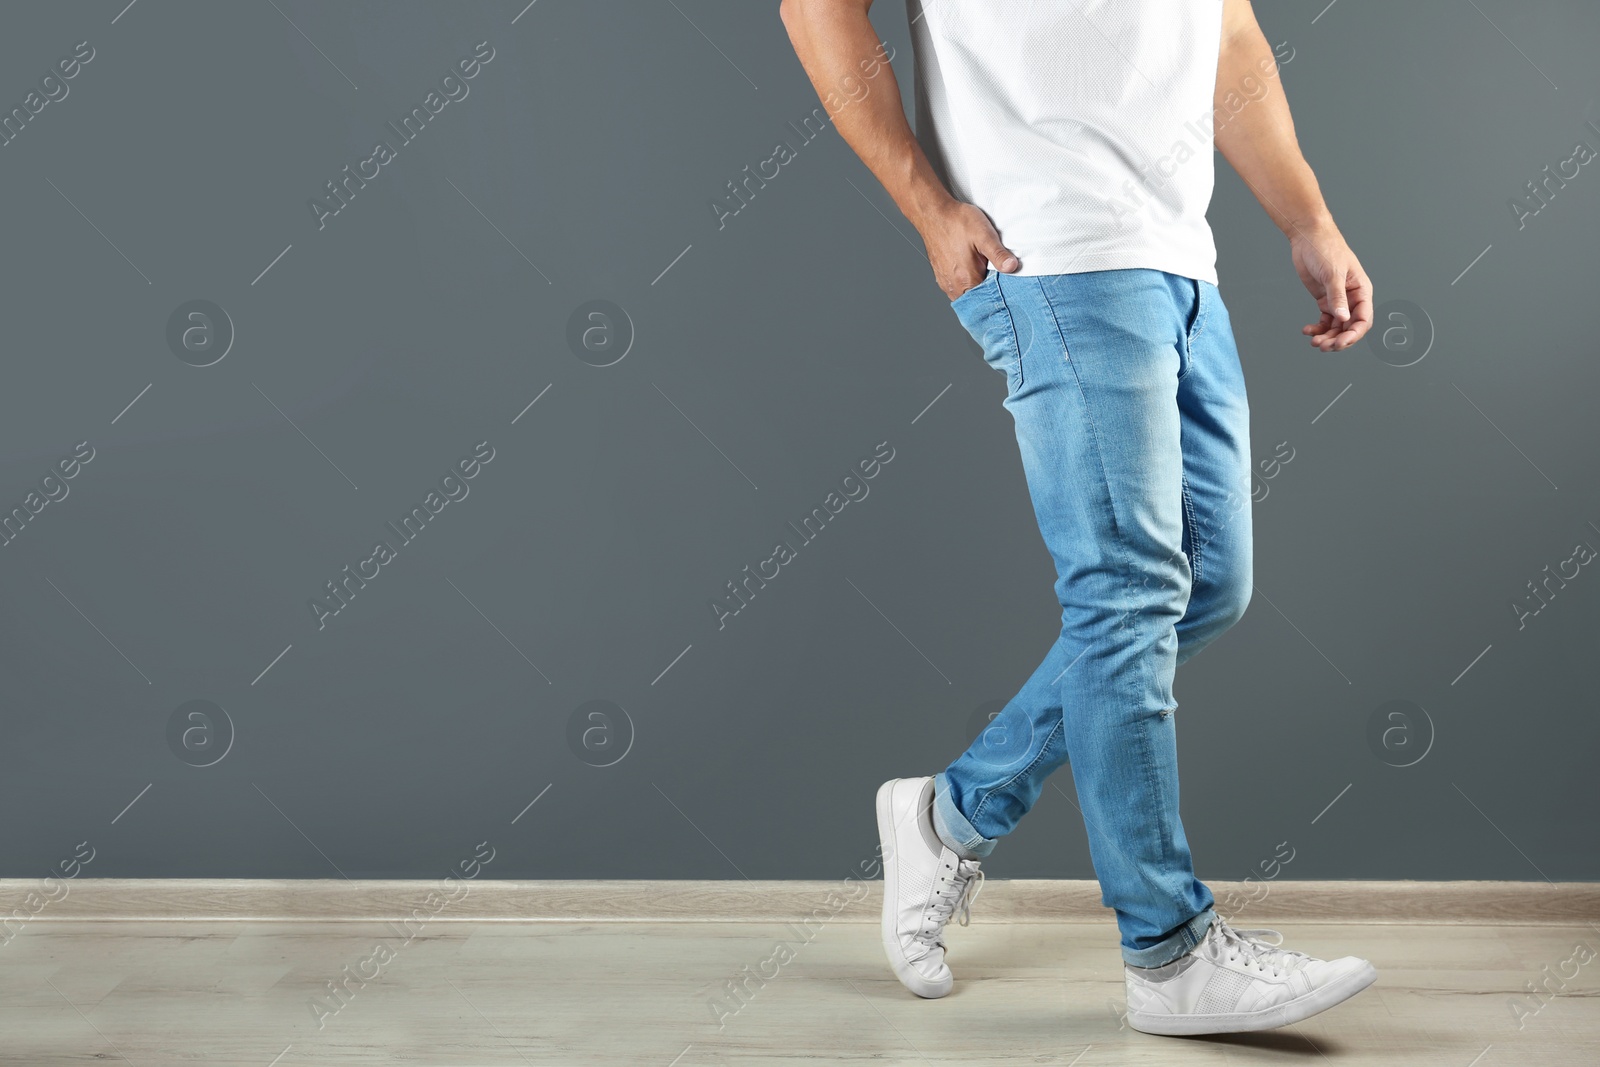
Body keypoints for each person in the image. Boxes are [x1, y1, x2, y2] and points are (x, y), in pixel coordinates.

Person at [781, 0, 1378, 1035]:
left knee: (1203, 584)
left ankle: (951, 811)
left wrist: (1306, 218)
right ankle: (1168, 950)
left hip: (1176, 259)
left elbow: (1226, 36)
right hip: (1049, 252)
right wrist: (929, 207)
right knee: (1128, 593)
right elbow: (815, 9)